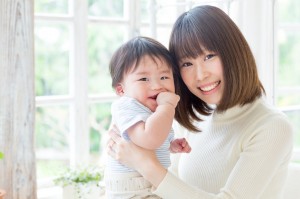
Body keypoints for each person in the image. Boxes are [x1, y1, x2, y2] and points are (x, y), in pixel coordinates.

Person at [107, 5, 294, 199]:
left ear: (234, 52)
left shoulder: (272, 126)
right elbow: (173, 189)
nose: (201, 74)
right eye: (187, 63)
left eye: (209, 56)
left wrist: (143, 162)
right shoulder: (195, 119)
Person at [105, 36, 192, 199]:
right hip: (132, 189)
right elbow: (149, 139)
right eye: (144, 79)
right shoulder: (126, 105)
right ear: (121, 90)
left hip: (149, 183)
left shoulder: (153, 111)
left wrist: (170, 145)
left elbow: (151, 144)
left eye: (164, 77)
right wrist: (167, 107)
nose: (157, 85)